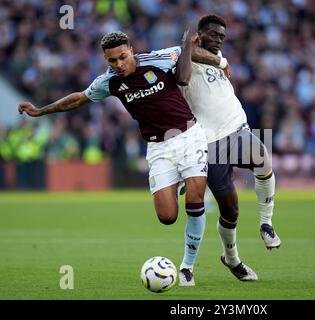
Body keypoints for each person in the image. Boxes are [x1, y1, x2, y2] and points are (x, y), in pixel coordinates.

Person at [17, 30, 227, 286]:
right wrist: (40, 111)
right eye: (112, 61)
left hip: (188, 136)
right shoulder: (109, 82)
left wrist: (222, 63)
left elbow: (189, 52)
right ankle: (182, 181)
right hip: (158, 148)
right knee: (167, 217)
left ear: (131, 50)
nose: (118, 64)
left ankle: (187, 267)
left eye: (122, 57)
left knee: (195, 201)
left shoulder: (160, 59)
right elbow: (78, 99)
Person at [181, 14, 281, 282]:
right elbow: (185, 67)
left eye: (222, 37)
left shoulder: (216, 54)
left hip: (237, 128)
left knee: (263, 161)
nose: (218, 40)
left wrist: (220, 58)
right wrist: (216, 58)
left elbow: (213, 58)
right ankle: (232, 258)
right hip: (211, 143)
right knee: (230, 211)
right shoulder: (184, 56)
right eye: (213, 35)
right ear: (198, 35)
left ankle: (266, 223)